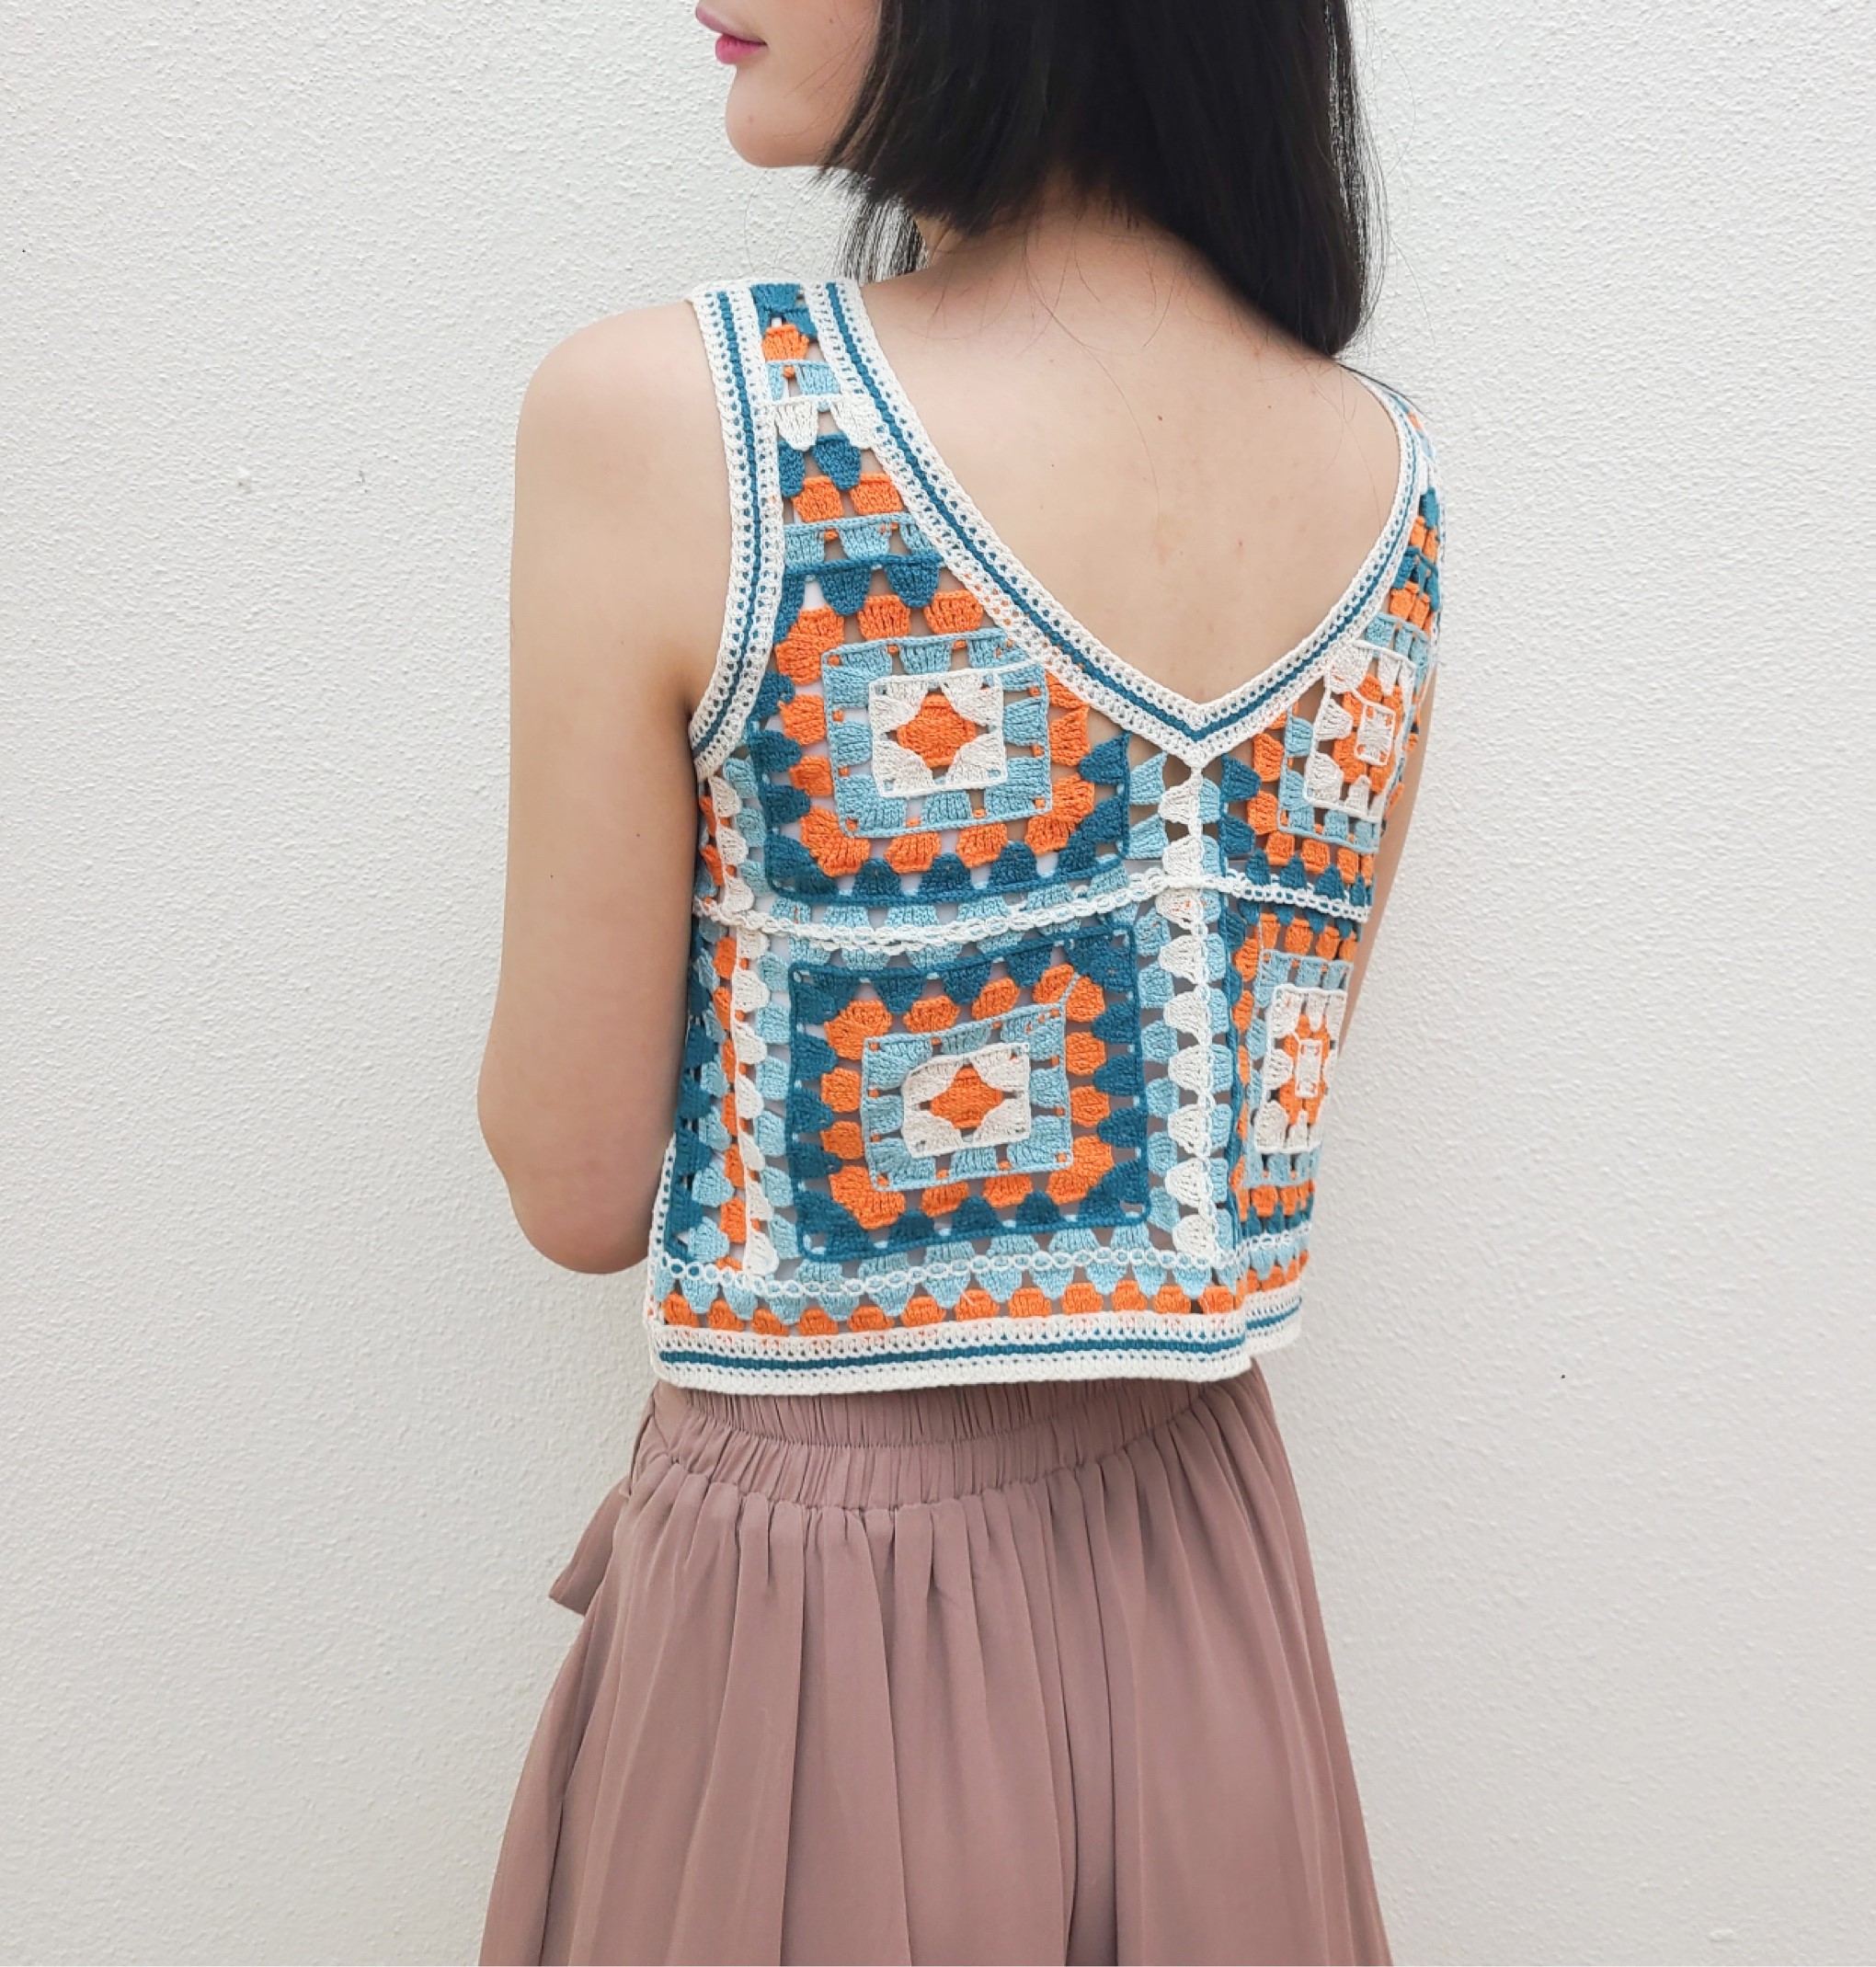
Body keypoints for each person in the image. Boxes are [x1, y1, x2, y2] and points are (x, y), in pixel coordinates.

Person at [475, 0, 1443, 1960]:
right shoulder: (1381, 477)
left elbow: (574, 1183)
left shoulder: (674, 420)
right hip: (1207, 1574)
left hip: (816, 1617)